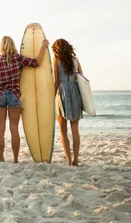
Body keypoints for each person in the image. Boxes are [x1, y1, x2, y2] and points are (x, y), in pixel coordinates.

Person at [0, 36, 49, 163]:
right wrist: (43, 47)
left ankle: (1, 158)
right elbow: (36, 62)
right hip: (14, 94)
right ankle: (15, 159)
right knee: (14, 128)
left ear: (2, 46)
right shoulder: (18, 58)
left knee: (0, 129)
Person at [52, 38, 84, 166]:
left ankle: (69, 160)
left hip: (62, 93)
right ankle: (76, 159)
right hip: (75, 92)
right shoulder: (75, 60)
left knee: (63, 130)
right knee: (75, 129)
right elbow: (82, 78)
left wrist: (52, 97)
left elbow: (56, 81)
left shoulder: (56, 60)